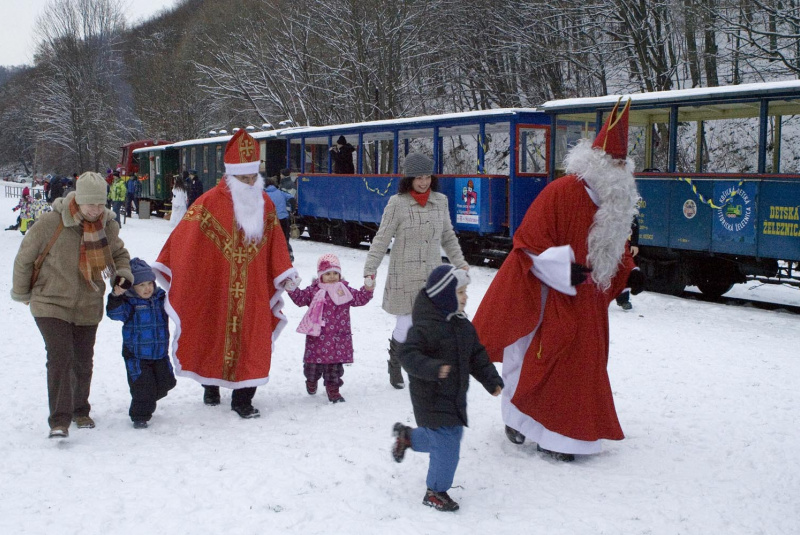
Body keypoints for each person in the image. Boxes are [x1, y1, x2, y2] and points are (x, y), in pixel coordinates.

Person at [472, 99, 644, 462]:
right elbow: (527, 242)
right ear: (596, 164)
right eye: (613, 163)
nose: (619, 169)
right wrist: (560, 269)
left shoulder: (615, 204)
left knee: (582, 367)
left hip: (589, 304)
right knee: (534, 359)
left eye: (622, 164)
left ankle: (567, 437)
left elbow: (617, 248)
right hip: (547, 296)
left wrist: (628, 275)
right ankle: (520, 421)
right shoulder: (562, 192)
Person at [152, 129, 297, 419]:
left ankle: (243, 399)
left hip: (253, 288)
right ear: (231, 175)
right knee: (210, 332)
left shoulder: (265, 204)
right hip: (216, 286)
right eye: (244, 178)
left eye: (253, 177)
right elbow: (185, 240)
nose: (249, 182)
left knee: (253, 339)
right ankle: (211, 385)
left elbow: (275, 242)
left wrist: (285, 271)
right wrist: (172, 266)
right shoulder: (207, 203)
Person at [11, 172, 133, 439]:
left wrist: (122, 274)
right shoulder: (52, 222)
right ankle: (59, 419)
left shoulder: (108, 226)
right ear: (78, 198)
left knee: (83, 361)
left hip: (88, 303)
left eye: (101, 204)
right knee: (60, 357)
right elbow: (25, 258)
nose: (96, 210)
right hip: (50, 301)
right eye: (91, 204)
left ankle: (80, 409)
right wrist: (21, 292)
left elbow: (119, 254)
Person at [391, 264, 503, 512]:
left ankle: (408, 437)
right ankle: (435, 491)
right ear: (443, 295)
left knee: (445, 438)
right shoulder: (425, 327)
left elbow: (476, 355)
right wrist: (432, 368)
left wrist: (491, 379)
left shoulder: (462, 325)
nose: (466, 297)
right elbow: (406, 354)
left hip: (453, 396)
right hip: (430, 396)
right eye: (460, 292)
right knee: (447, 446)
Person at [363, 152, 468, 389]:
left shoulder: (441, 201)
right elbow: (382, 238)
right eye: (418, 177)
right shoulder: (397, 203)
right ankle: (395, 362)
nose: (423, 182)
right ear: (409, 179)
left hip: (431, 275)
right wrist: (370, 268)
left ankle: (424, 368)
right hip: (404, 275)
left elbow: (448, 236)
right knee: (406, 325)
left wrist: (459, 262)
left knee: (431, 325)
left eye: (427, 177)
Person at [286, 254, 374, 403]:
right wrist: (292, 289)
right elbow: (300, 299)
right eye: (327, 274)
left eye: (335, 273)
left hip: (337, 339)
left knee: (334, 369)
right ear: (320, 275)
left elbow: (359, 298)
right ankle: (311, 381)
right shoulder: (314, 291)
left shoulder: (344, 290)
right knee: (312, 367)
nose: (332, 277)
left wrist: (367, 288)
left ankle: (333, 391)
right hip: (317, 338)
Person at [106, 258, 176, 428]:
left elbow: (177, 305)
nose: (147, 288)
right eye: (141, 285)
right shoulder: (129, 304)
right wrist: (116, 296)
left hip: (160, 353)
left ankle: (148, 397)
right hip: (136, 356)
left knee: (167, 382)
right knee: (143, 388)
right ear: (132, 288)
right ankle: (140, 416)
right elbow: (114, 313)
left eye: (149, 284)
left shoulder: (160, 299)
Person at [264, 176, 295, 261]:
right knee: (284, 238)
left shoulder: (264, 195)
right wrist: (292, 210)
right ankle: (289, 254)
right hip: (283, 219)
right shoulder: (281, 192)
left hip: (270, 221)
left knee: (271, 240)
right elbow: (292, 199)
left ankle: (272, 257)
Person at [615, 216, 640, 310]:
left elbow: (634, 223)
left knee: (622, 269)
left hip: (619, 243)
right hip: (602, 242)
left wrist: (634, 243)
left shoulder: (624, 208)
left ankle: (623, 299)